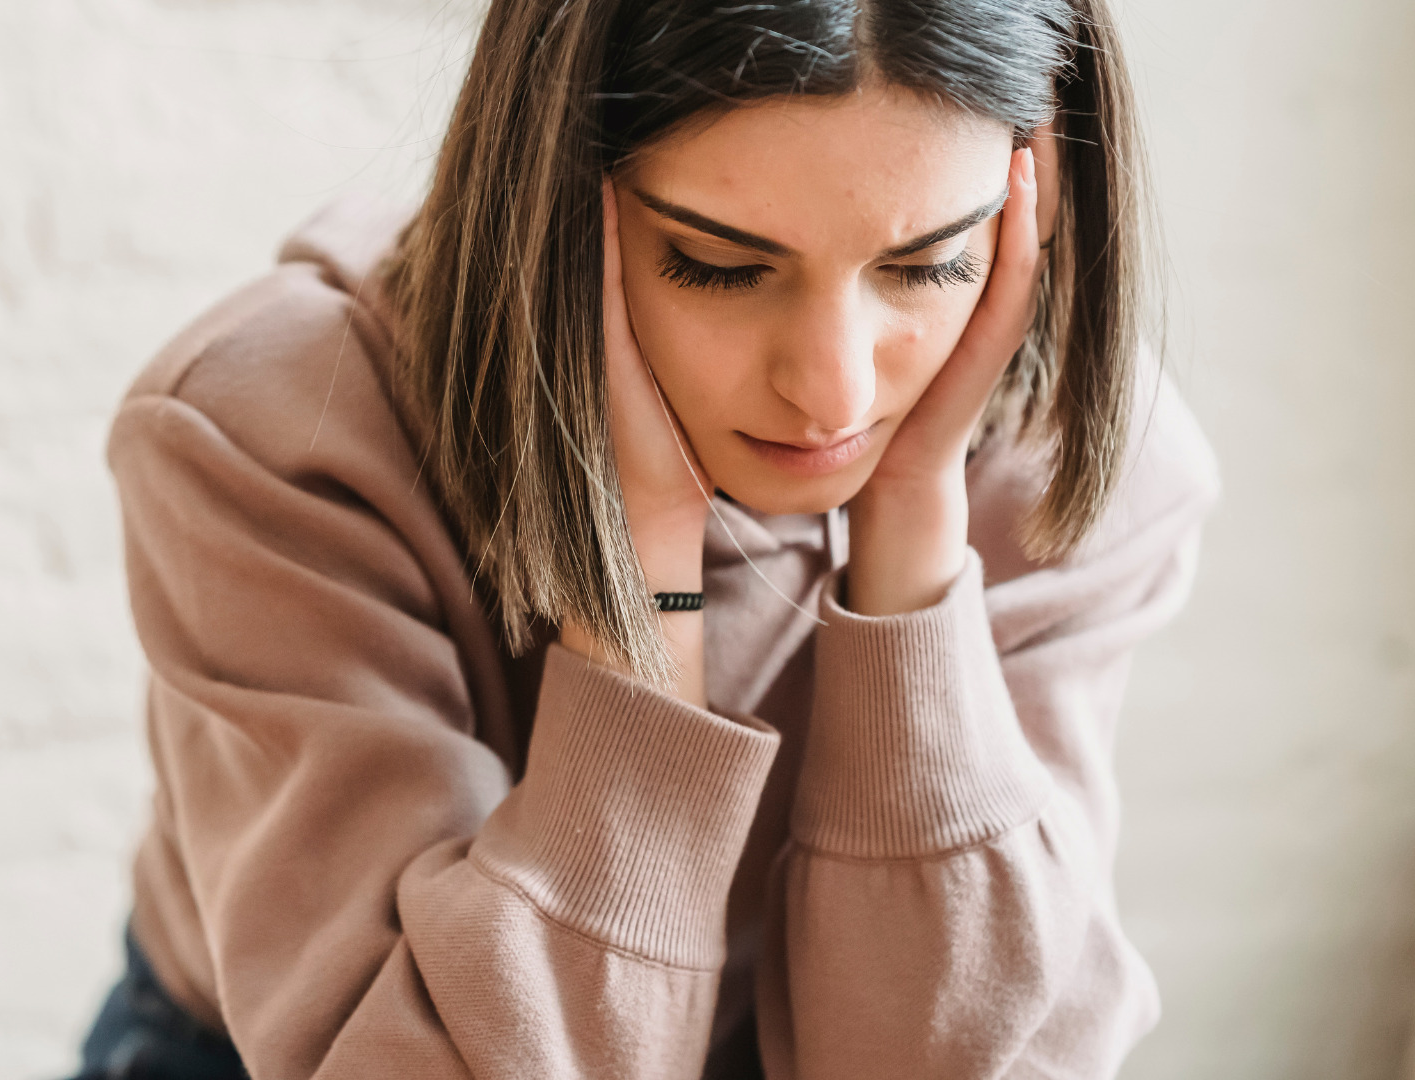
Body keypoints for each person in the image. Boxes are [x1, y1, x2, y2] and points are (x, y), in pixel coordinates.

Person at [68, 0, 1219, 1076]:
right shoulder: (272, 441)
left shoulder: (1082, 463)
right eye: (721, 266)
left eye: (927, 265)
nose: (834, 391)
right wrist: (639, 587)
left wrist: (914, 554)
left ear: (1042, 200)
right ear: (553, 196)